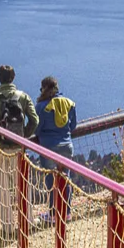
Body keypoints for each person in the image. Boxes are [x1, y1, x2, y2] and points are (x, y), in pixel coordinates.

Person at [0, 65, 39, 232]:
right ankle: (27, 220)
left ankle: (7, 226)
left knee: (3, 186)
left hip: (0, 149)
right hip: (19, 149)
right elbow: (34, 120)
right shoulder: (23, 97)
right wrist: (23, 137)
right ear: (13, 78)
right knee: (23, 183)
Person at [34, 77, 78, 224]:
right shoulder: (69, 103)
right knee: (66, 179)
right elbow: (73, 126)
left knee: (51, 180)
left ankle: (53, 214)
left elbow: (37, 129)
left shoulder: (41, 107)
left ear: (44, 88)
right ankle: (67, 213)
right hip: (67, 146)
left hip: (49, 148)